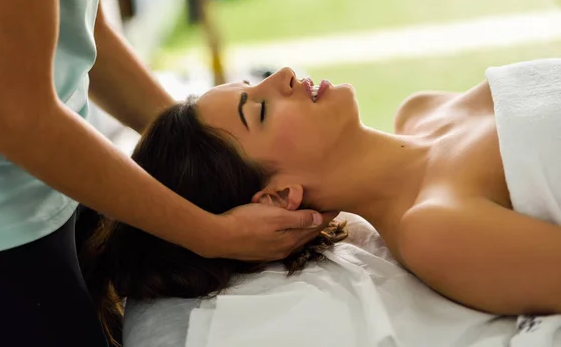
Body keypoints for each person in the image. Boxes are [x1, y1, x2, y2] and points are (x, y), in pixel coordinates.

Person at [0, 0, 336, 347]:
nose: (285, 74)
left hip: (55, 183)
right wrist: (211, 233)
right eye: (253, 105)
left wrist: (190, 148)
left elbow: (85, 30)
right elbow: (15, 119)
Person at [79, 62, 561, 344]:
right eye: (261, 110)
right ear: (279, 198)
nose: (284, 75)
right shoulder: (434, 229)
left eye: (254, 83)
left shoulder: (423, 109)